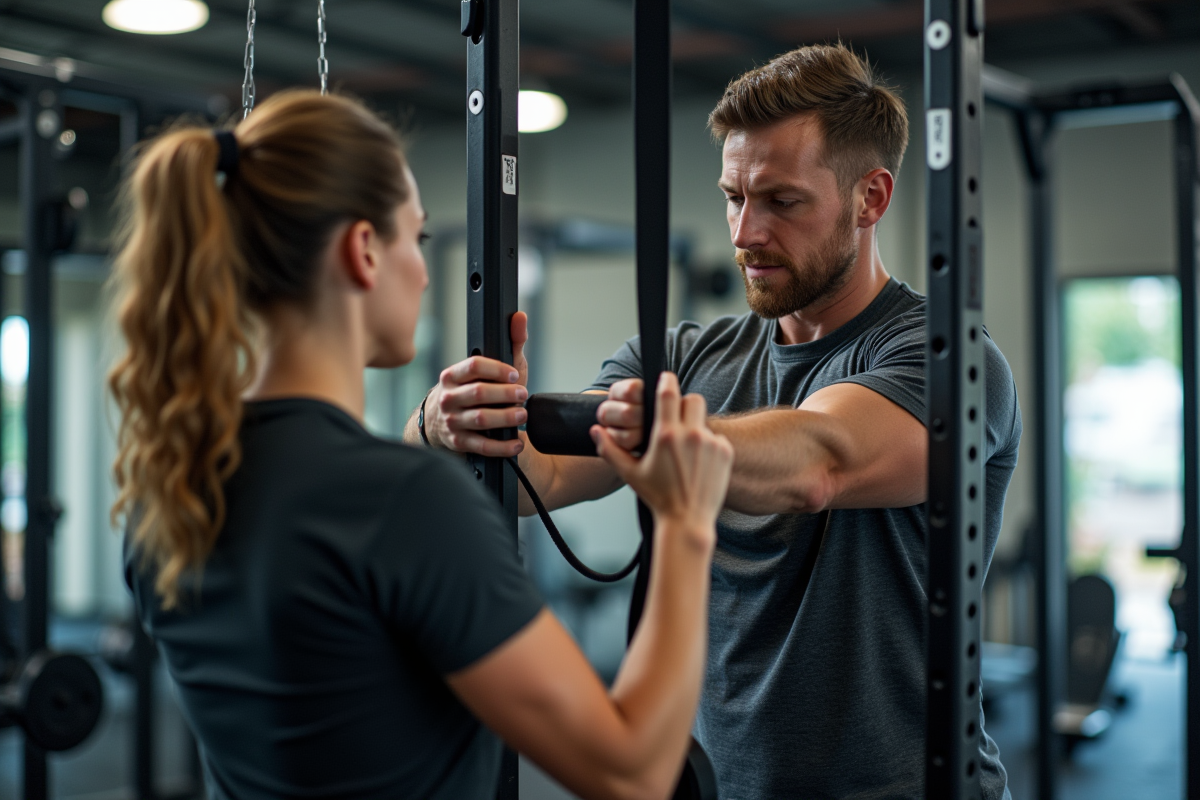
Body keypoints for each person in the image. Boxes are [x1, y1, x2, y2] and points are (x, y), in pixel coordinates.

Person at [408, 44, 1022, 800]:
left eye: (781, 201)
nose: (744, 232)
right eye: (734, 197)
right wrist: (453, 421)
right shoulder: (683, 358)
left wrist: (658, 429)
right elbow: (550, 473)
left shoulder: (948, 356)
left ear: (871, 198)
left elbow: (821, 459)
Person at [110, 89, 734, 800]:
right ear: (363, 251)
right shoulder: (404, 504)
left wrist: (426, 433)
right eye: (419, 237)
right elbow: (632, 772)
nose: (426, 268)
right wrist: (685, 523)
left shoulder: (170, 490)